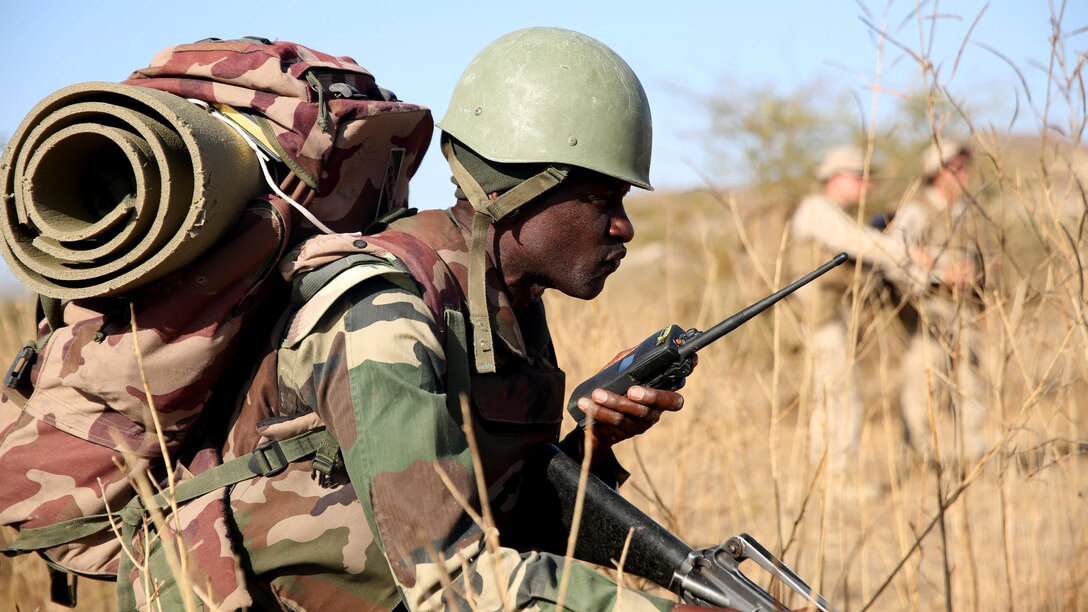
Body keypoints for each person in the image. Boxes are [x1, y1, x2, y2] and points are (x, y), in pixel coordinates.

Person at [216, 27, 718, 612]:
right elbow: (453, 584)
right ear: (520, 192)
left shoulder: (504, 307)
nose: (623, 227)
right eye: (602, 200)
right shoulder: (384, 315)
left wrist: (592, 445)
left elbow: (505, 528)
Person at [787, 146, 926, 477]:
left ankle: (832, 477)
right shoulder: (817, 208)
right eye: (859, 176)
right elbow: (854, 241)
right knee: (838, 396)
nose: (868, 184)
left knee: (839, 394)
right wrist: (906, 252)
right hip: (819, 322)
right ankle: (835, 479)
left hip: (833, 320)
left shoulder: (835, 212)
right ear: (835, 177)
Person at [887, 139, 991, 467]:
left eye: (965, 166)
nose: (964, 174)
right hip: (927, 312)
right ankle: (923, 456)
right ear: (936, 173)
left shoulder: (966, 211)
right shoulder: (916, 211)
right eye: (955, 168)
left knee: (969, 383)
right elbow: (893, 261)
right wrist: (940, 276)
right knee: (925, 384)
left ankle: (969, 454)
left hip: (964, 311)